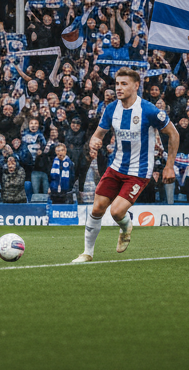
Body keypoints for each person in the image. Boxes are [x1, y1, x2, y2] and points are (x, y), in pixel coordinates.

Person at [74, 68, 179, 263]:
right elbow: (98, 134)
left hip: (139, 171)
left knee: (116, 211)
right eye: (117, 84)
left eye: (124, 84)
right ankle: (87, 253)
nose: (119, 88)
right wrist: (94, 141)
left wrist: (169, 166)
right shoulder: (111, 109)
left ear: (136, 86)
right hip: (116, 167)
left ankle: (125, 226)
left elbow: (173, 134)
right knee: (97, 209)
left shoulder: (149, 110)